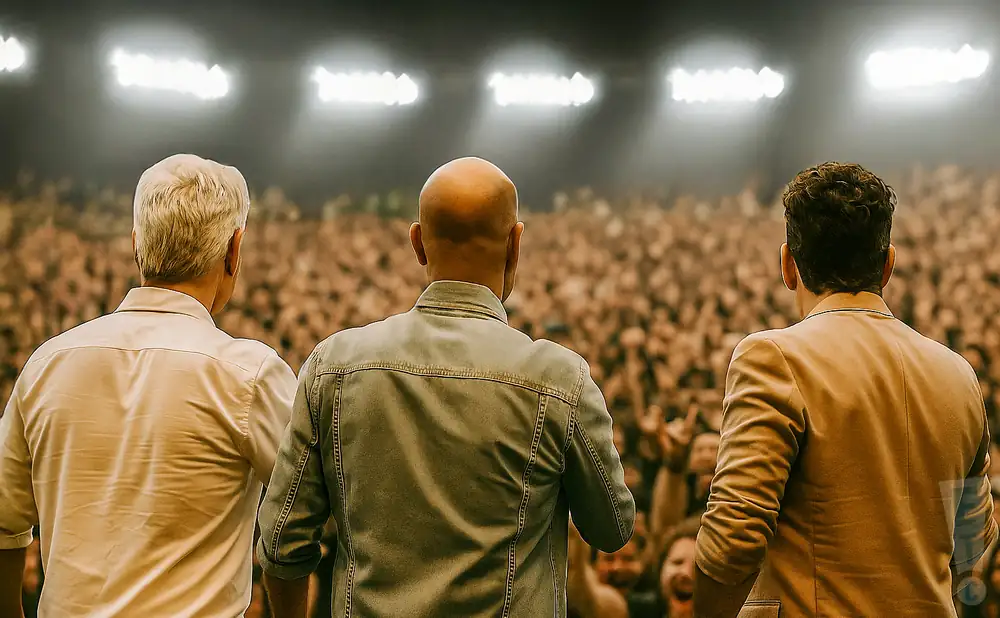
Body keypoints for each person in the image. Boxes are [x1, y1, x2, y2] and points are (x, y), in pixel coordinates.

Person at [256, 156, 635, 617]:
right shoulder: (557, 379)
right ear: (516, 244)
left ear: (417, 242)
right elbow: (613, 528)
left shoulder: (334, 365)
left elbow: (282, 543)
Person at [694, 162, 998, 617]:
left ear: (788, 265)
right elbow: (973, 543)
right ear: (888, 264)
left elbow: (731, 543)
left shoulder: (774, 357)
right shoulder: (958, 374)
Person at [0, 154, 296, 617]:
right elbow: (299, 516)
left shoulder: (47, 363)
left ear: (136, 244)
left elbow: (2, 520)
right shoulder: (250, 375)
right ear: (234, 251)